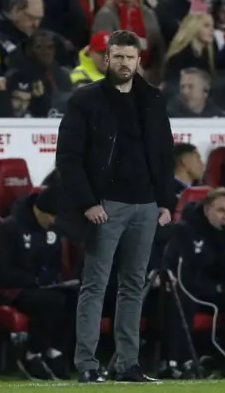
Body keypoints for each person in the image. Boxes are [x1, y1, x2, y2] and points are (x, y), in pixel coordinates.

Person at [55, 30, 174, 383]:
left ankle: (127, 364)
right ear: (106, 59)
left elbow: (165, 154)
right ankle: (88, 365)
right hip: (105, 205)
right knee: (95, 284)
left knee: (133, 285)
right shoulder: (85, 100)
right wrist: (88, 202)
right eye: (118, 57)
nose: (124, 63)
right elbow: (68, 157)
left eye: (130, 57)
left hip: (146, 205)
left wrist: (166, 201)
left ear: (139, 60)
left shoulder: (153, 98)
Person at [0, 185, 75, 381]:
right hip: (8, 288)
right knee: (51, 301)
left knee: (76, 298)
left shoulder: (53, 230)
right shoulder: (8, 228)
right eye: (51, 216)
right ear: (38, 210)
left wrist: (50, 278)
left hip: (38, 286)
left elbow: (55, 264)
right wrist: (33, 280)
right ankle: (32, 355)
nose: (54, 222)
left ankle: (55, 353)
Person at [163, 188, 225, 379]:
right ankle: (180, 362)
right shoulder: (184, 230)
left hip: (215, 289)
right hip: (189, 288)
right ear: (206, 210)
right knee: (181, 301)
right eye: (221, 211)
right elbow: (174, 263)